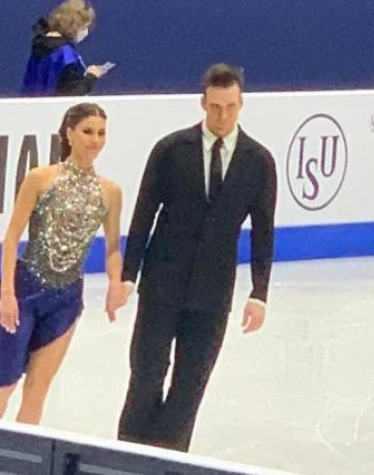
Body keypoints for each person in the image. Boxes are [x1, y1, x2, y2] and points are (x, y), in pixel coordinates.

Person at [113, 63, 277, 453]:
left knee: (190, 383)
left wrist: (259, 292)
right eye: (215, 107)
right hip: (162, 283)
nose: (223, 116)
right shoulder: (171, 150)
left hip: (213, 290)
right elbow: (143, 214)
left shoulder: (258, 161)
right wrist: (128, 274)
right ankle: (129, 456)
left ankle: (169, 462)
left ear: (241, 104)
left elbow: (263, 231)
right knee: (147, 372)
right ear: (203, 103)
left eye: (231, 107)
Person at [0, 103, 124, 425]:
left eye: (101, 133)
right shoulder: (41, 178)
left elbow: (112, 248)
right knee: (3, 383)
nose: (95, 140)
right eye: (87, 131)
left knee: (38, 389)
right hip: (24, 291)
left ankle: (24, 452)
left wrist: (114, 283)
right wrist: (7, 294)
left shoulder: (110, 191)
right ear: (69, 133)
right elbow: (12, 238)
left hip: (66, 299)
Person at [22, 0, 110, 94]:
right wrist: (91, 76)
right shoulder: (65, 55)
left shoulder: (40, 44)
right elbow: (72, 95)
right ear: (75, 26)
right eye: (85, 27)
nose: (86, 32)